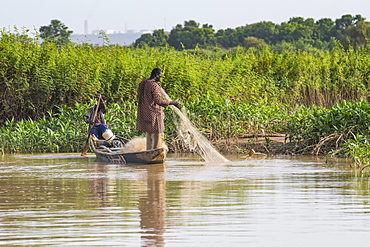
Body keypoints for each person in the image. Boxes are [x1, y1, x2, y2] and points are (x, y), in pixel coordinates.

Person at [136, 68, 182, 150]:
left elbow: (139, 94)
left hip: (145, 113)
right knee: (158, 134)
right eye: (160, 76)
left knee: (149, 134)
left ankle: (148, 153)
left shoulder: (143, 83)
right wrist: (173, 103)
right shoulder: (154, 85)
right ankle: (155, 153)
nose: (160, 78)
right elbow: (158, 101)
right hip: (154, 114)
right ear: (156, 75)